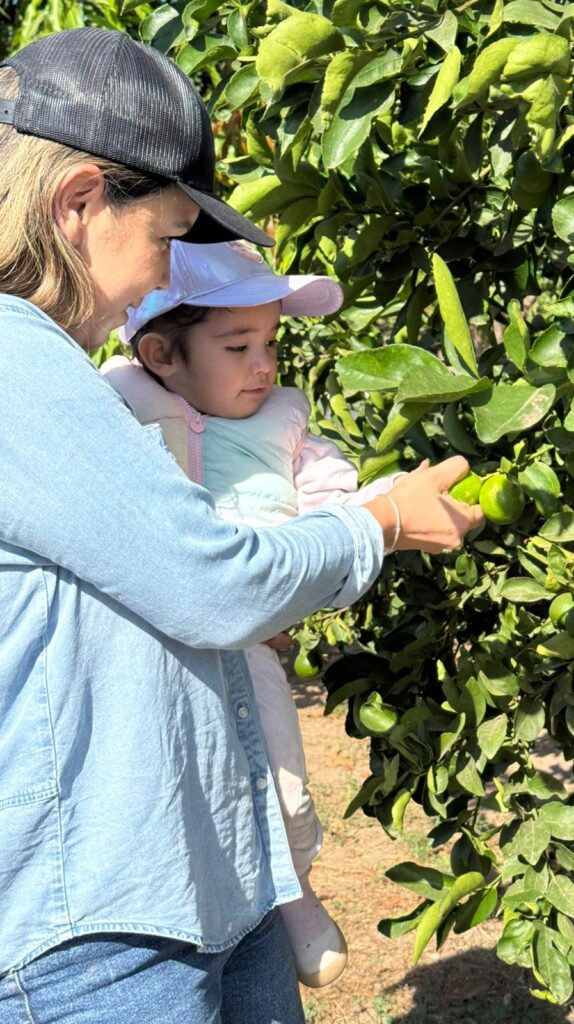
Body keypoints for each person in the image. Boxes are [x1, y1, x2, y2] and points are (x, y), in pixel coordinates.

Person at [0, 26, 483, 1024]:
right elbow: (210, 581)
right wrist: (378, 523)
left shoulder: (49, 367)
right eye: (166, 240)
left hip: (201, 879)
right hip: (99, 932)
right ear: (78, 202)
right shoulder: (16, 367)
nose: (161, 280)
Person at [101, 239, 404, 990]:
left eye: (270, 342)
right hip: (148, 647)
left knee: (283, 780)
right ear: (161, 355)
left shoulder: (284, 423)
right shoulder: (115, 409)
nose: (264, 365)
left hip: (253, 642)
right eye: (238, 347)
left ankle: (294, 891)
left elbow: (336, 497)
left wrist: (371, 516)